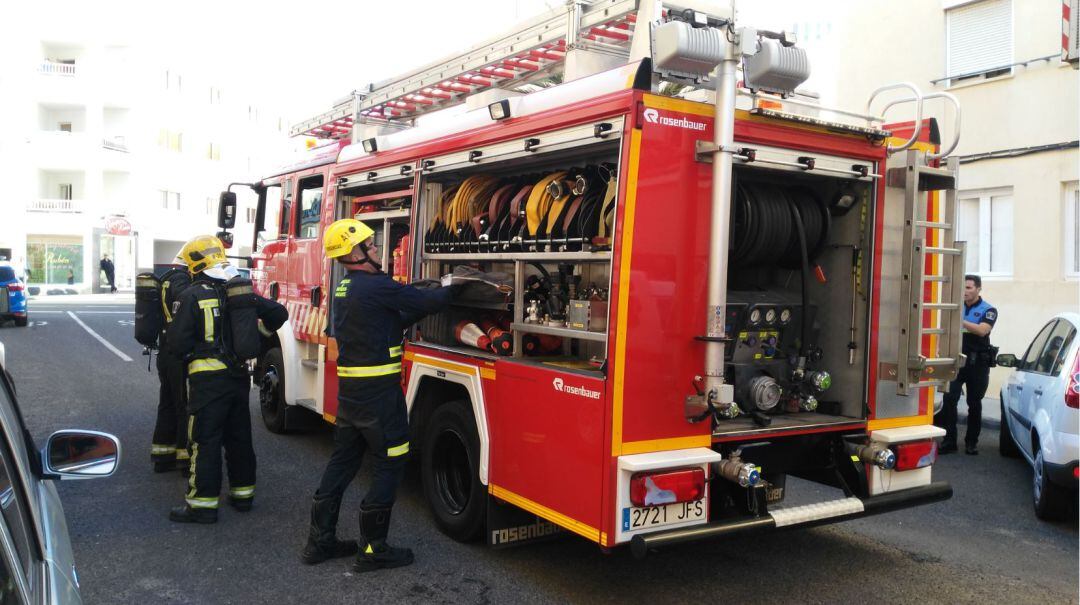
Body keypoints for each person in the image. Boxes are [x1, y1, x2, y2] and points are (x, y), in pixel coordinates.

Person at [300, 219, 454, 572]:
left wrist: (411, 306)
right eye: (370, 245)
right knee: (391, 461)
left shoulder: (345, 289)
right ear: (356, 252)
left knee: (343, 462)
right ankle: (373, 550)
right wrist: (455, 287)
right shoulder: (376, 285)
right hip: (380, 398)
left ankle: (319, 542)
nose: (375, 250)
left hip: (352, 397)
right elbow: (427, 301)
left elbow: (383, 321)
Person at [166, 235, 288, 524]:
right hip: (237, 378)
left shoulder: (191, 295)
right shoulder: (240, 293)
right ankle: (243, 496)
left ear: (195, 264)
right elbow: (279, 313)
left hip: (207, 381)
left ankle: (202, 505)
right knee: (239, 438)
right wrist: (260, 338)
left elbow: (176, 345)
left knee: (205, 440)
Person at [935, 274, 997, 455]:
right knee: (949, 400)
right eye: (963, 288)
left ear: (978, 289)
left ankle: (971, 442)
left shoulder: (989, 310)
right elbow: (944, 330)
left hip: (977, 364)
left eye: (969, 288)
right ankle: (949, 441)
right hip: (957, 360)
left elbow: (982, 330)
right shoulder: (955, 307)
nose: (965, 291)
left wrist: (959, 321)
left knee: (974, 403)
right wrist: (940, 348)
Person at [150, 266, 192, 474]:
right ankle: (185, 459)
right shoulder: (182, 282)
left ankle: (162, 456)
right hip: (178, 355)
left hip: (164, 352)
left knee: (166, 402)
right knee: (183, 404)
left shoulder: (165, 280)